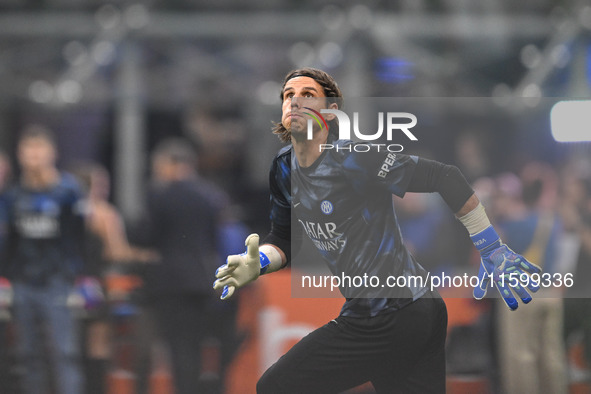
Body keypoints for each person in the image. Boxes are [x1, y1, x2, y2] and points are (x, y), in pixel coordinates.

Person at [213, 67, 542, 393]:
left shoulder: (354, 158)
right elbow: (282, 239)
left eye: (307, 95)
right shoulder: (283, 168)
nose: (295, 102)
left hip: (391, 313)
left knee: (276, 386)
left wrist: (491, 248)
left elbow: (446, 177)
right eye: (288, 96)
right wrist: (259, 263)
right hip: (402, 312)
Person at [135, 138, 229, 394]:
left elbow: (147, 236)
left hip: (171, 282)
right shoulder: (211, 196)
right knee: (197, 346)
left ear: (170, 164)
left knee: (178, 347)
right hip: (201, 280)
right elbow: (214, 240)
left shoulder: (160, 195)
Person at [0, 126, 85, 394]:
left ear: (52, 153)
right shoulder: (13, 196)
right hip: (24, 282)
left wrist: (74, 276)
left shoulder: (68, 192)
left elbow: (80, 237)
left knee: (65, 353)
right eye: (28, 150)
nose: (34, 156)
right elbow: (9, 240)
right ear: (20, 154)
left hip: (57, 283)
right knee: (27, 355)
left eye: (40, 149)